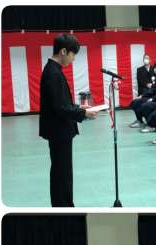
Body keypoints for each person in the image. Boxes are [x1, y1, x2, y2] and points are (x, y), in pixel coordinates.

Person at [39, 34, 98, 207]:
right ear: (63, 51)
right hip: (59, 131)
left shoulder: (53, 70)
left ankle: (63, 205)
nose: (73, 59)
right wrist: (83, 113)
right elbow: (60, 107)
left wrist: (80, 108)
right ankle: (64, 207)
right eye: (73, 55)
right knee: (62, 173)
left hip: (59, 130)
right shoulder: (53, 73)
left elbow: (61, 102)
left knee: (61, 171)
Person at [129, 60, 156, 128]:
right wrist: (142, 96)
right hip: (152, 95)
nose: (155, 69)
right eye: (154, 67)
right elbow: (153, 89)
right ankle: (140, 121)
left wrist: (152, 99)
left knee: (144, 106)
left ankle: (151, 124)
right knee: (135, 102)